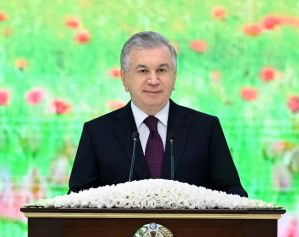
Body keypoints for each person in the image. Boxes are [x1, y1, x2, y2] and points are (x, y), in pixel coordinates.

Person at [68, 31, 248, 197]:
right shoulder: (97, 133)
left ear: (174, 76)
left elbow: (233, 195)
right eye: (143, 71)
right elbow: (76, 202)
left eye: (162, 70)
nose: (153, 80)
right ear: (124, 78)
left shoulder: (205, 129)